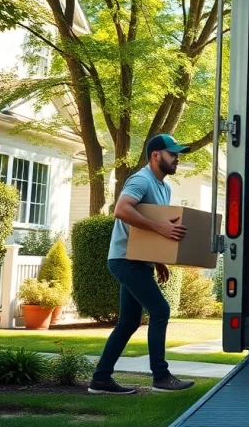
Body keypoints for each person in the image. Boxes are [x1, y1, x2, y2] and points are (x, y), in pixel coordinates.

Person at [89, 134, 197, 395]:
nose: (177, 158)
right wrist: (160, 228)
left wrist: (158, 260)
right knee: (160, 310)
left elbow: (149, 226)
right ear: (156, 155)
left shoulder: (165, 187)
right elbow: (122, 209)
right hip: (125, 260)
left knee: (128, 322)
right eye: (172, 153)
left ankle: (101, 379)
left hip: (139, 260)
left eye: (178, 153)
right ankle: (161, 376)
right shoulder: (141, 179)